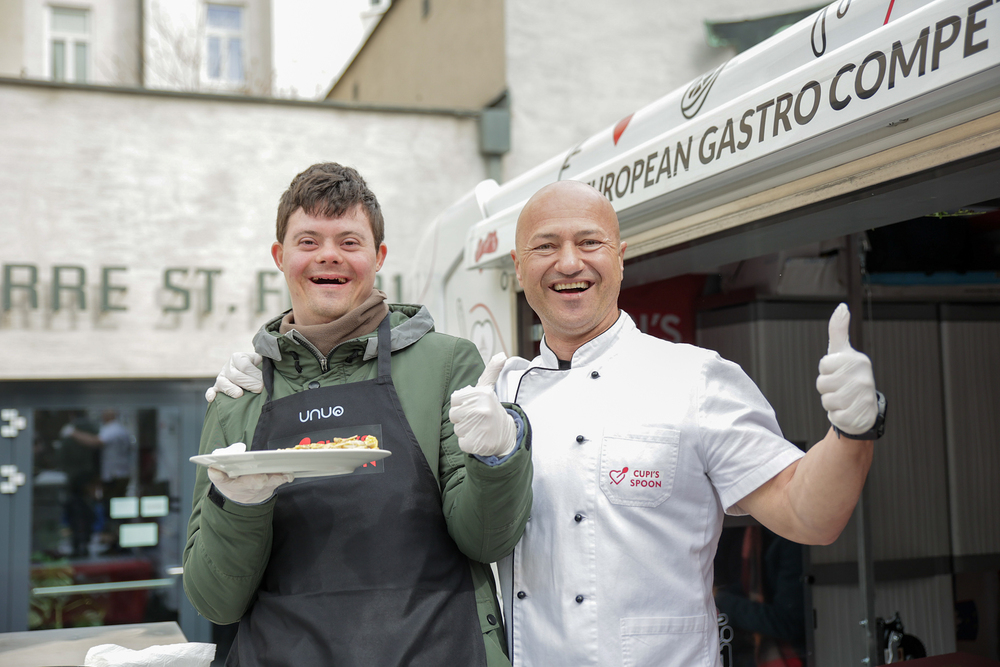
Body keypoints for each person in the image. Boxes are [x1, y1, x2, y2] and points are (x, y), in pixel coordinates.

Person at [213, 180, 884, 667]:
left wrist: (853, 431)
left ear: (621, 256)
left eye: (589, 242)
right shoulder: (493, 393)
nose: (568, 262)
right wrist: (267, 365)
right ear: (520, 269)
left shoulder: (695, 378)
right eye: (545, 246)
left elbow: (809, 514)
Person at [184, 162, 533, 666]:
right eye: (308, 241)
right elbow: (215, 601)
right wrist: (237, 504)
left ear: (378, 257)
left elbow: (486, 541)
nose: (329, 255)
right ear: (280, 257)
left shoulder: (447, 365)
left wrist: (498, 457)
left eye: (349, 241)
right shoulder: (240, 394)